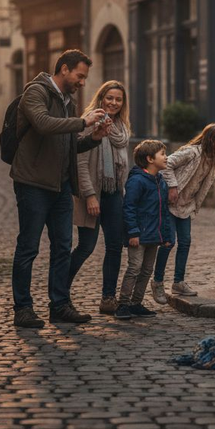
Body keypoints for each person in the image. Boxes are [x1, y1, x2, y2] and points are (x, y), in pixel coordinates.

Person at [10, 50, 110, 329]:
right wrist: (83, 122)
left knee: (63, 247)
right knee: (28, 247)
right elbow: (43, 125)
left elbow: (68, 144)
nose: (82, 82)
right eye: (80, 76)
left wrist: (93, 138)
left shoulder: (69, 101)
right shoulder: (36, 92)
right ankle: (23, 308)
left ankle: (59, 304)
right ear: (64, 69)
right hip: (33, 182)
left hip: (61, 186)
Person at [68, 81, 131, 315]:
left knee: (115, 246)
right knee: (86, 247)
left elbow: (123, 164)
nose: (114, 103)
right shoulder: (90, 121)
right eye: (110, 98)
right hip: (93, 194)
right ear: (101, 98)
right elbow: (80, 163)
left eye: (119, 99)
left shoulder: (121, 128)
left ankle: (108, 298)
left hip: (114, 193)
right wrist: (90, 196)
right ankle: (60, 293)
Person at [151, 123, 215, 303]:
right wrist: (172, 186)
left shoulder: (214, 164)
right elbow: (166, 164)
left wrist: (193, 205)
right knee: (168, 242)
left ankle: (178, 282)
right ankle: (157, 282)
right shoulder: (191, 152)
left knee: (185, 242)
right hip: (170, 204)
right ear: (212, 139)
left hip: (185, 207)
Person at [117, 139, 173, 320]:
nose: (166, 157)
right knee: (134, 268)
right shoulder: (137, 181)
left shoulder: (160, 181)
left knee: (147, 270)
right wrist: (133, 233)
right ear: (150, 158)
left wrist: (165, 235)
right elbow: (129, 208)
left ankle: (136, 303)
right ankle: (123, 304)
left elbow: (163, 211)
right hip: (139, 236)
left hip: (153, 236)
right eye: (162, 154)